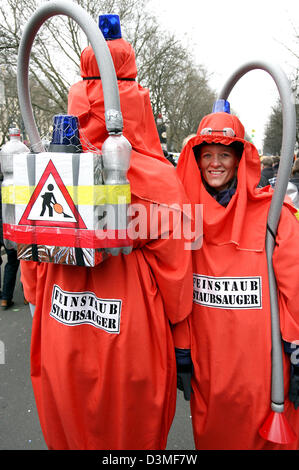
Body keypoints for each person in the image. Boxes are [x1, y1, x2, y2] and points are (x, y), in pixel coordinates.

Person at [20, 15, 193, 450]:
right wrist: (182, 340)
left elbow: (32, 267)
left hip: (60, 324)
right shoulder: (157, 179)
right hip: (131, 334)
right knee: (130, 434)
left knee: (69, 427)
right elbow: (174, 278)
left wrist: (45, 301)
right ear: (140, 104)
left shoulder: (49, 172)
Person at [173, 104, 299, 450]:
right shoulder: (183, 220)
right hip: (210, 374)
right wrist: (181, 349)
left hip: (264, 374)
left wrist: (298, 345)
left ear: (240, 158)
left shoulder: (273, 214)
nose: (215, 163)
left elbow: (295, 286)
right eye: (207, 154)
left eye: (224, 154)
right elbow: (176, 289)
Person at [0, 171, 20, 309]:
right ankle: (6, 297)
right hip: (8, 229)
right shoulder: (11, 185)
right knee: (15, 261)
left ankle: (4, 297)